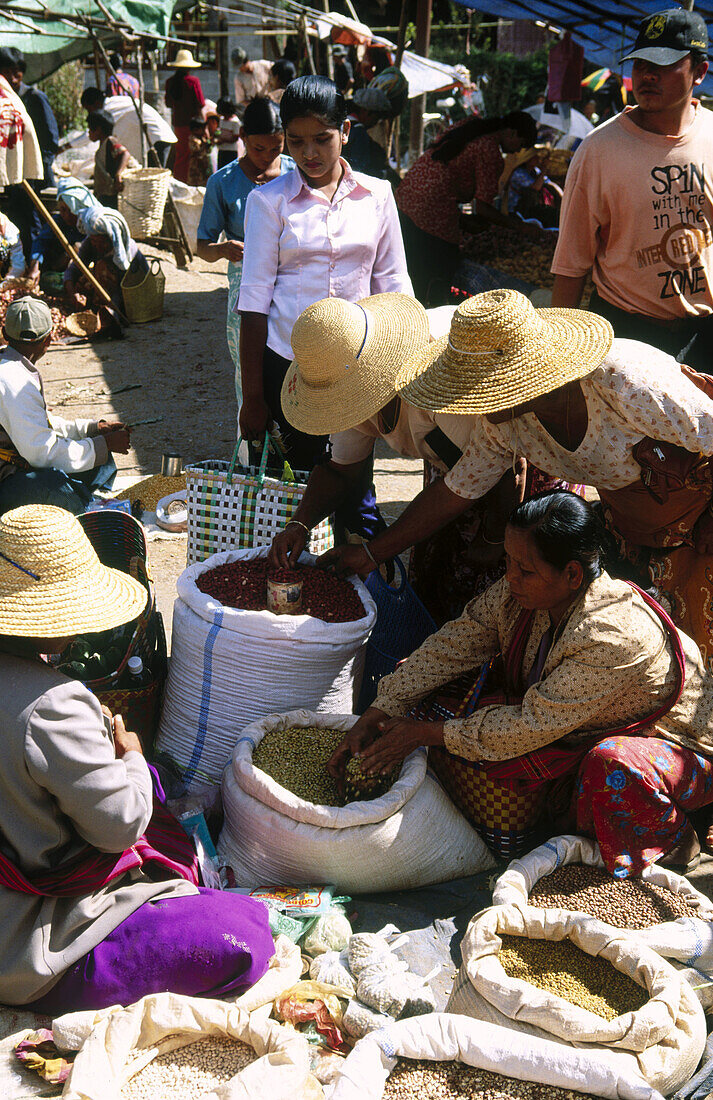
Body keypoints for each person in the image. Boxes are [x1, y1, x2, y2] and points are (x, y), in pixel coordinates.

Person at [329, 491, 713, 875]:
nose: (510, 577)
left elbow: (530, 724)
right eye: (508, 561)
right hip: (575, 723)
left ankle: (675, 838)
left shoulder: (611, 634)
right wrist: (380, 709)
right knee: (435, 695)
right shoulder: (522, 592)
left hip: (680, 753)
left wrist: (423, 734)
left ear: (573, 574)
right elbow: (457, 643)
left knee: (609, 765)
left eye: (525, 569)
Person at [0, 504, 274, 1010]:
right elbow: (118, 827)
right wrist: (129, 755)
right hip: (25, 938)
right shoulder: (52, 704)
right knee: (246, 935)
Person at [358, 287, 713, 670]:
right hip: (634, 525)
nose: (480, 405)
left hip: (700, 521)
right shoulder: (503, 423)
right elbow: (458, 489)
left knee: (697, 660)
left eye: (490, 391)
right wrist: (371, 553)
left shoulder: (624, 383)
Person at [270, 293, 580, 624]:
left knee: (508, 598)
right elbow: (339, 469)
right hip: (456, 469)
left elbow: (506, 472)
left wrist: (491, 539)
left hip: (522, 466)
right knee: (433, 580)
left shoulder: (440, 375)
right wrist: (299, 524)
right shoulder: (348, 388)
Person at [237, 75, 411, 530]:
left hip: (360, 369)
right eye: (295, 142)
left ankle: (356, 580)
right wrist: (253, 398)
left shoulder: (377, 196)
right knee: (290, 495)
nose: (308, 153)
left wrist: (404, 364)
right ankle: (287, 588)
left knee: (353, 483)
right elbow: (254, 303)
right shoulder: (268, 202)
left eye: (322, 139)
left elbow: (394, 284)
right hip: (288, 367)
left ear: (346, 132)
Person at [551, 9, 712, 371]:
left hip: (704, 336)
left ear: (700, 72)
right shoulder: (598, 150)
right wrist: (557, 361)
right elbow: (571, 265)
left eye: (665, 64)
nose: (648, 75)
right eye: (640, 64)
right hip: (627, 335)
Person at [196, 98, 293, 430]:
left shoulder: (297, 174)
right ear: (242, 138)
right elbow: (202, 247)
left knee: (298, 364)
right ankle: (253, 454)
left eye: (276, 148)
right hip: (246, 286)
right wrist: (223, 249)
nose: (267, 156)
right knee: (250, 370)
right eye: (258, 148)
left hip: (294, 279)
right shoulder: (223, 182)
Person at [396, 111, 538, 305]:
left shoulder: (469, 124)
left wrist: (462, 220)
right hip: (431, 214)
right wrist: (517, 226)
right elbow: (483, 209)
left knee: (413, 270)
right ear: (511, 133)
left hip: (407, 199)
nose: (516, 152)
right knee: (436, 274)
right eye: (520, 145)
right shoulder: (490, 151)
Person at [0, 298, 126, 515]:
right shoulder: (12, 379)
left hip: (22, 460)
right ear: (49, 340)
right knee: (57, 487)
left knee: (100, 460)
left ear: (5, 333)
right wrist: (100, 445)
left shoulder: (9, 362)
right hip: (7, 480)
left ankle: (89, 500)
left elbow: (40, 422)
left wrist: (92, 429)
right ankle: (88, 507)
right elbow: (40, 454)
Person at [64, 206, 149, 336]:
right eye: (94, 241)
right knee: (84, 279)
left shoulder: (127, 250)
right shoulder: (90, 243)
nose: (97, 245)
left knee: (102, 267)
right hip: (107, 291)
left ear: (112, 238)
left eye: (102, 242)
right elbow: (74, 269)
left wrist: (111, 311)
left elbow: (122, 290)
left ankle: (107, 315)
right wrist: (72, 293)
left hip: (132, 295)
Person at [80, 86, 176, 168]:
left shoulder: (110, 109)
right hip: (158, 137)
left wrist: (67, 146)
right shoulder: (115, 103)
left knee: (155, 179)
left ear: (96, 103)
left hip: (156, 139)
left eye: (89, 109)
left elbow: (93, 132)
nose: (90, 113)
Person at [33, 177, 99, 283]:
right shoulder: (57, 221)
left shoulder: (91, 223)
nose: (67, 216)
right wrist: (35, 266)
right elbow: (40, 242)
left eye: (71, 210)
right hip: (63, 270)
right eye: (63, 210)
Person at [165, 49, 205, 183]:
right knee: (195, 155)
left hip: (178, 124)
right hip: (193, 125)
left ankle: (179, 182)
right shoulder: (193, 81)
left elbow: (168, 103)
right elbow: (200, 103)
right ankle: (191, 182)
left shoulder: (170, 82)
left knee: (181, 155)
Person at [499, 147, 562, 230]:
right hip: (516, 210)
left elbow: (549, 183)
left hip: (530, 208)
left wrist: (562, 196)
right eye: (534, 157)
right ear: (527, 159)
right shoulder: (518, 173)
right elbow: (535, 188)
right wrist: (544, 170)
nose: (538, 158)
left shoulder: (534, 171)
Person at [87, 109, 138, 208]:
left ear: (98, 130)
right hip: (105, 193)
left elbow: (125, 154)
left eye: (90, 129)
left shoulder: (110, 141)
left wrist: (118, 174)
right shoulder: (103, 146)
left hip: (111, 194)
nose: (88, 133)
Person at [343, 87, 390, 178]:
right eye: (377, 117)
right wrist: (384, 174)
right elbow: (358, 171)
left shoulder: (338, 124)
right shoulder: (359, 133)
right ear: (365, 111)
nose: (376, 122)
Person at [232, 48, 273, 113]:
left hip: (270, 104)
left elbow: (277, 69)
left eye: (241, 66)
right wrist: (254, 107)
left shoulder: (263, 65)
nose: (240, 69)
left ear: (246, 61)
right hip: (254, 109)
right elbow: (241, 100)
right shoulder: (238, 78)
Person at [214, 96, 242, 168]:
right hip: (222, 149)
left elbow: (235, 138)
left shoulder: (235, 122)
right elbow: (220, 131)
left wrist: (223, 140)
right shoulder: (222, 120)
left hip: (231, 151)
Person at [187, 116, 212, 186]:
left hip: (203, 165)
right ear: (195, 130)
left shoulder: (202, 138)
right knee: (195, 183)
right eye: (203, 129)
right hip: (196, 165)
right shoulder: (194, 139)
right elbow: (197, 151)